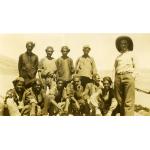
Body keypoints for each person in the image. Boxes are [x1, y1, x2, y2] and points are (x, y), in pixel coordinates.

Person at [114, 36, 137, 116]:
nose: (123, 45)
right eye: (121, 44)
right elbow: (115, 68)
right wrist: (115, 78)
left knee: (128, 101)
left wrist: (132, 76)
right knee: (119, 100)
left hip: (128, 76)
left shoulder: (132, 54)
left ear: (128, 45)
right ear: (119, 45)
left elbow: (137, 66)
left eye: (125, 43)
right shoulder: (118, 57)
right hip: (118, 77)